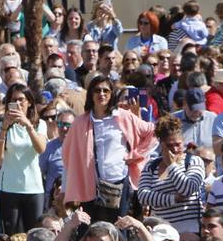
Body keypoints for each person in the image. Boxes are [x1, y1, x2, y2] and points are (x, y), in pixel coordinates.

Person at [61, 75, 156, 223]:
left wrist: (135, 154)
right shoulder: (80, 122)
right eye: (97, 90)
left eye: (106, 90)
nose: (102, 94)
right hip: (90, 185)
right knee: (90, 230)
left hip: (119, 181)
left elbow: (152, 131)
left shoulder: (123, 116)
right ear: (91, 94)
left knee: (119, 228)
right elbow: (68, 155)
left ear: (112, 94)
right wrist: (65, 188)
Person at [0, 85, 47, 234]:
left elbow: (40, 149)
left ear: (29, 102)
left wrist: (28, 125)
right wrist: (4, 128)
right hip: (8, 188)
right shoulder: (2, 126)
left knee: (34, 234)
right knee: (11, 235)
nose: (18, 104)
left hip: (33, 188)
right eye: (13, 100)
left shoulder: (39, 124)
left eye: (21, 100)